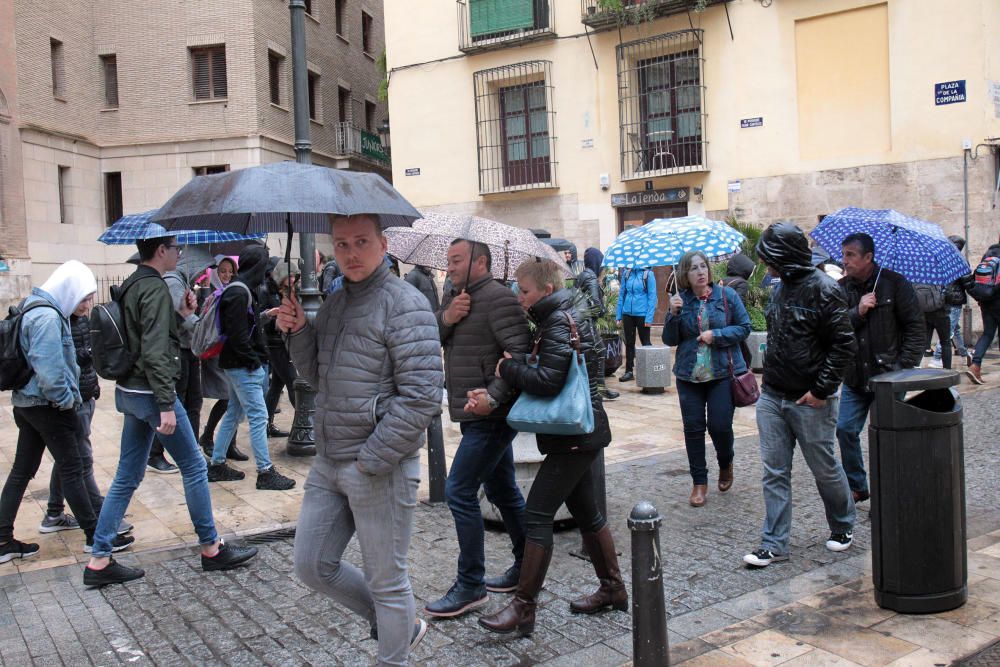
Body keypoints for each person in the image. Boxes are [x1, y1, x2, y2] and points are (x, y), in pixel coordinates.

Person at [281, 214, 443, 666]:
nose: (351, 253)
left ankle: (394, 651)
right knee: (312, 565)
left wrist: (370, 461)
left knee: (388, 581)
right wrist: (297, 332)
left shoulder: (406, 304)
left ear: (384, 244)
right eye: (341, 244)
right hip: (330, 461)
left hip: (377, 466)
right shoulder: (334, 304)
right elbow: (318, 377)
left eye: (361, 242)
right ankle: (402, 624)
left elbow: (422, 399)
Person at [83, 236, 258, 586]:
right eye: (175, 248)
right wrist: (165, 403)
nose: (179, 253)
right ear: (161, 251)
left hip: (132, 391)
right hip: (152, 393)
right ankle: (211, 548)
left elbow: (146, 335)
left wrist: (181, 315)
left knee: (127, 475)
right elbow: (154, 349)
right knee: (194, 465)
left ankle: (99, 560)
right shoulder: (154, 289)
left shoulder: (134, 284)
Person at [479, 258, 625, 636]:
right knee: (588, 515)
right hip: (579, 434)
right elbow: (556, 369)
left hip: (574, 439)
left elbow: (546, 381)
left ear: (545, 289)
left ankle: (523, 607)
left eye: (524, 290)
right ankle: (613, 589)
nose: (519, 297)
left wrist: (507, 369)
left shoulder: (558, 320)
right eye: (517, 289)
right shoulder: (562, 314)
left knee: (537, 515)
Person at [1, 261, 134, 563]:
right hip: (47, 407)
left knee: (22, 471)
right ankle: (95, 536)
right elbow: (50, 372)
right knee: (73, 469)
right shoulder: (47, 316)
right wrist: (68, 404)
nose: (87, 304)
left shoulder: (33, 306)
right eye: (84, 297)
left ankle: (2, 539)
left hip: (29, 404)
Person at [425, 239, 530, 619]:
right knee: (503, 489)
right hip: (472, 415)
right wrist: (447, 317)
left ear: (480, 262)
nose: (449, 267)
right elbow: (432, 340)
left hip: (491, 416)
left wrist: (495, 397)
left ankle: (471, 585)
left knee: (458, 490)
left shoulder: (500, 299)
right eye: (448, 260)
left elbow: (519, 357)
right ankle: (526, 567)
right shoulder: (455, 296)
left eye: (456, 260)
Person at [743, 223, 857, 568]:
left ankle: (842, 523)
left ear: (784, 256)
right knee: (774, 472)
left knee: (824, 467)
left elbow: (843, 345)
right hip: (774, 395)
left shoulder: (825, 290)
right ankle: (774, 543)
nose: (766, 266)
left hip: (811, 399)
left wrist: (821, 390)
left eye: (769, 258)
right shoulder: (778, 289)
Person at [837, 232, 923, 503]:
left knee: (885, 438)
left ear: (868, 257)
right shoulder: (842, 288)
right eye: (844, 254)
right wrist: (858, 311)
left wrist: (902, 367)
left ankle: (888, 495)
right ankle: (858, 485)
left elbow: (915, 328)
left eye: (850, 255)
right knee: (845, 429)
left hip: (889, 376)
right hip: (855, 376)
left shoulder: (895, 284)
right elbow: (835, 329)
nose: (845, 261)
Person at [39, 291, 133, 538]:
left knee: (68, 458)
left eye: (89, 299)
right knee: (82, 460)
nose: (87, 305)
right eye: (82, 299)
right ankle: (103, 518)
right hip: (73, 400)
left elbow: (88, 362)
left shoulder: (84, 321)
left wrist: (94, 382)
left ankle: (53, 513)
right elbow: (64, 363)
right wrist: (89, 353)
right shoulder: (57, 322)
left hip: (86, 394)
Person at [663, 251, 751, 507]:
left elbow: (744, 328)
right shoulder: (681, 300)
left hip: (722, 372)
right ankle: (699, 482)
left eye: (703, 266)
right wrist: (673, 314)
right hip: (689, 375)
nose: (700, 272)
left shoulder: (727, 296)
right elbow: (670, 340)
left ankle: (726, 462)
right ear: (685, 275)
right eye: (693, 269)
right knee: (693, 429)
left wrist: (717, 335)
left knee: (720, 426)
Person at [206, 246, 295, 490]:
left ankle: (217, 464)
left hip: (238, 364)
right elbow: (237, 335)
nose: (267, 273)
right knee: (259, 417)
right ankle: (265, 472)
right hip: (242, 365)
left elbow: (245, 324)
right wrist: (255, 362)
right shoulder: (238, 292)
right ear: (256, 266)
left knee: (234, 413)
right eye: (264, 266)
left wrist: (265, 315)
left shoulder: (242, 289)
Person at [148, 246, 217, 473]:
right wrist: (202, 327)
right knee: (181, 404)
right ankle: (156, 453)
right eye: (202, 269)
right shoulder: (173, 282)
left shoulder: (182, 282)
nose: (203, 275)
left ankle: (190, 450)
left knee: (192, 403)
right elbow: (183, 316)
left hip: (187, 350)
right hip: (179, 351)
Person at [199, 256, 245, 459]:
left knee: (234, 399)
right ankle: (208, 436)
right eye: (223, 271)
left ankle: (229, 444)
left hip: (230, 352)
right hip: (217, 353)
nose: (227, 275)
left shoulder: (233, 292)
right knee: (227, 398)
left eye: (230, 271)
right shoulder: (210, 295)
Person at [261, 259, 298, 436]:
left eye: (294, 276)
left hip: (284, 341)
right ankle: (305, 422)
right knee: (293, 382)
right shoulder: (267, 291)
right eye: (289, 275)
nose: (292, 279)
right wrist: (278, 321)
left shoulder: (287, 291)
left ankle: (266, 425)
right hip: (275, 343)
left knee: (277, 384)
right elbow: (261, 319)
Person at [583, 247, 619, 400]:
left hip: (585, 322)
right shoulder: (590, 278)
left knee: (596, 354)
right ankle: (599, 390)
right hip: (588, 323)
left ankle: (597, 389)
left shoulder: (584, 275)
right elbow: (595, 303)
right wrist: (602, 311)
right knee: (599, 352)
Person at [932, 236, 972, 368]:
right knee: (948, 330)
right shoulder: (960, 260)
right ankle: (937, 358)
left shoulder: (941, 259)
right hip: (955, 300)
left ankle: (964, 353)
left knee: (955, 328)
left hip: (942, 298)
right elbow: (968, 282)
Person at [966, 235, 1000, 384]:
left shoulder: (989, 253)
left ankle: (975, 365)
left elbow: (977, 278)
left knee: (987, 334)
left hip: (986, 301)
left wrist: (981, 298)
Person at [615, 265, 656, 382]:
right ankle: (629, 371)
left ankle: (649, 371)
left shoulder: (648, 274)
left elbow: (652, 297)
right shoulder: (626, 274)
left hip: (642, 314)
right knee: (629, 343)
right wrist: (619, 314)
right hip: (627, 313)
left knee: (646, 343)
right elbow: (622, 294)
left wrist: (649, 318)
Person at [719, 253, 756, 368]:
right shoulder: (742, 283)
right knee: (744, 355)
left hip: (721, 321)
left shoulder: (721, 281)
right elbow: (739, 304)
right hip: (734, 324)